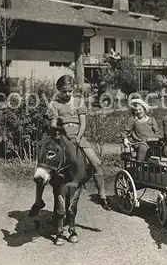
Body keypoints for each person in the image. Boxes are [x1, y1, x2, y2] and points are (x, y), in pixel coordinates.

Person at [30, 75, 110, 215]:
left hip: (77, 135)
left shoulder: (78, 101)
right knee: (44, 166)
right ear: (58, 90)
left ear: (73, 90)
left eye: (69, 91)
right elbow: (52, 124)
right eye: (63, 91)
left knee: (96, 162)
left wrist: (78, 137)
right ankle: (38, 200)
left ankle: (102, 194)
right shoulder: (54, 104)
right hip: (61, 136)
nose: (67, 94)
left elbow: (83, 123)